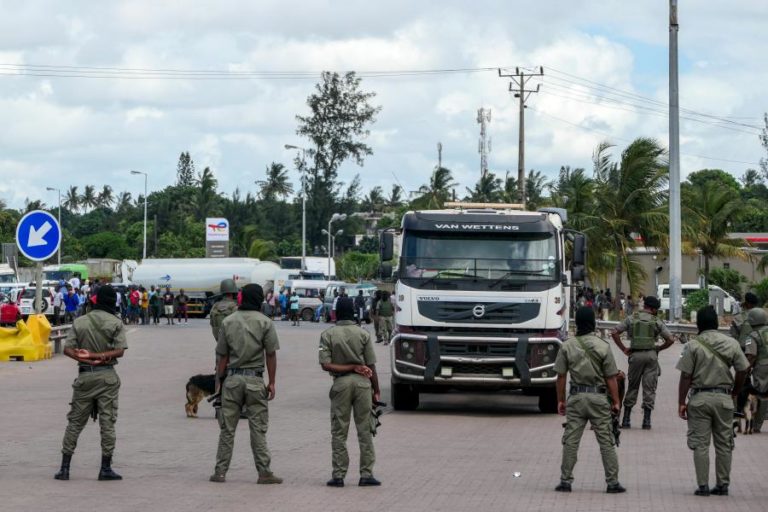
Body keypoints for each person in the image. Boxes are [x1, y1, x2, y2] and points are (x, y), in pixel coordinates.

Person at [210, 284, 282, 484]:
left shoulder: (228, 321)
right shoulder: (265, 322)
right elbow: (270, 354)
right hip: (255, 380)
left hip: (232, 380)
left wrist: (219, 383)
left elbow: (222, 356)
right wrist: (272, 382)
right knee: (257, 428)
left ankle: (220, 472)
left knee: (227, 429)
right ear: (258, 299)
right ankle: (264, 472)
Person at [54, 285, 127, 482]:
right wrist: (99, 357)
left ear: (95, 300)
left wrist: (85, 359)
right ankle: (105, 469)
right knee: (107, 423)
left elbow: (68, 349)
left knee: (75, 422)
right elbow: (120, 350)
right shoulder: (115, 322)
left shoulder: (80, 321)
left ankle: (64, 468)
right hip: (107, 377)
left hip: (85, 378)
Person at [677, 305, 749, 496]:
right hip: (724, 399)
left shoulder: (693, 345)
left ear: (699, 324)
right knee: (724, 443)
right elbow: (743, 369)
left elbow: (685, 376)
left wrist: (681, 402)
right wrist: (735, 391)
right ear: (716, 323)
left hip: (699, 399)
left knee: (701, 444)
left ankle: (702, 486)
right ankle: (723, 485)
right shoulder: (732, 343)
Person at [553, 306, 624, 494]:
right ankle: (612, 482)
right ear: (593, 323)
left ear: (577, 323)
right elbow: (611, 377)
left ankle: (565, 481)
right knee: (606, 441)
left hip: (576, 398)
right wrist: (616, 401)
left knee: (571, 441)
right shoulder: (603, 346)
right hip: (599, 398)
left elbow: (560, 376)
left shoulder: (567, 345)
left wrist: (561, 400)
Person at [319, 297, 381, 487]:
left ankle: (338, 475)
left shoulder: (327, 334)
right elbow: (371, 365)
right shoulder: (363, 334)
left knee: (339, 431)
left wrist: (349, 367)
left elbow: (325, 364)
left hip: (340, 385)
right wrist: (376, 389)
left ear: (335, 313)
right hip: (363, 384)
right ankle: (366, 474)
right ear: (354, 313)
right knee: (365, 430)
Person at [611, 295, 675, 429]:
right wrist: (659, 348)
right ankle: (646, 421)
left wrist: (623, 349)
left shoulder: (632, 318)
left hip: (635, 356)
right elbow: (670, 339)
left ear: (644, 306)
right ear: (654, 309)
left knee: (633, 386)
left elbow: (615, 332)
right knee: (649, 388)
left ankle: (626, 420)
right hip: (651, 356)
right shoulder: (656, 321)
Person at [744, 307, 768, 433]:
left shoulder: (753, 335)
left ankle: (757, 425)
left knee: (762, 395)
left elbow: (752, 355)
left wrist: (745, 370)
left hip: (762, 367)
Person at [210, 279, 239, 365]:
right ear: (233, 292)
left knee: (219, 368)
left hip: (219, 343)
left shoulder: (215, 306)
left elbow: (212, 324)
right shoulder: (235, 307)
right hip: (233, 347)